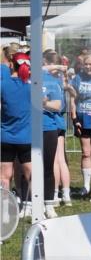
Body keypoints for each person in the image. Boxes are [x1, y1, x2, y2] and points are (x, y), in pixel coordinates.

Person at [2, 52, 33, 217]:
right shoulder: (31, 86)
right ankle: (32, 206)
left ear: (11, 65)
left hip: (6, 136)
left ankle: (5, 211)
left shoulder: (3, 85)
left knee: (4, 176)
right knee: (31, 173)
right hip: (26, 137)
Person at [66, 53, 91, 196]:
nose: (88, 67)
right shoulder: (78, 78)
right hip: (82, 118)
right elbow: (73, 99)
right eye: (86, 64)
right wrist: (74, 118)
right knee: (86, 153)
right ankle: (86, 187)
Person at [43, 51, 73, 207]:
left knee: (54, 161)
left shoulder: (49, 80)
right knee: (61, 160)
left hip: (53, 122)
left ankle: (54, 193)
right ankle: (66, 194)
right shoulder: (61, 79)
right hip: (60, 122)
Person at [41, 53, 66, 217]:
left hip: (48, 127)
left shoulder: (50, 80)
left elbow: (58, 105)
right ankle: (29, 203)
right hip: (28, 129)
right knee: (28, 168)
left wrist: (42, 103)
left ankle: (49, 203)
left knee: (48, 166)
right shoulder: (24, 78)